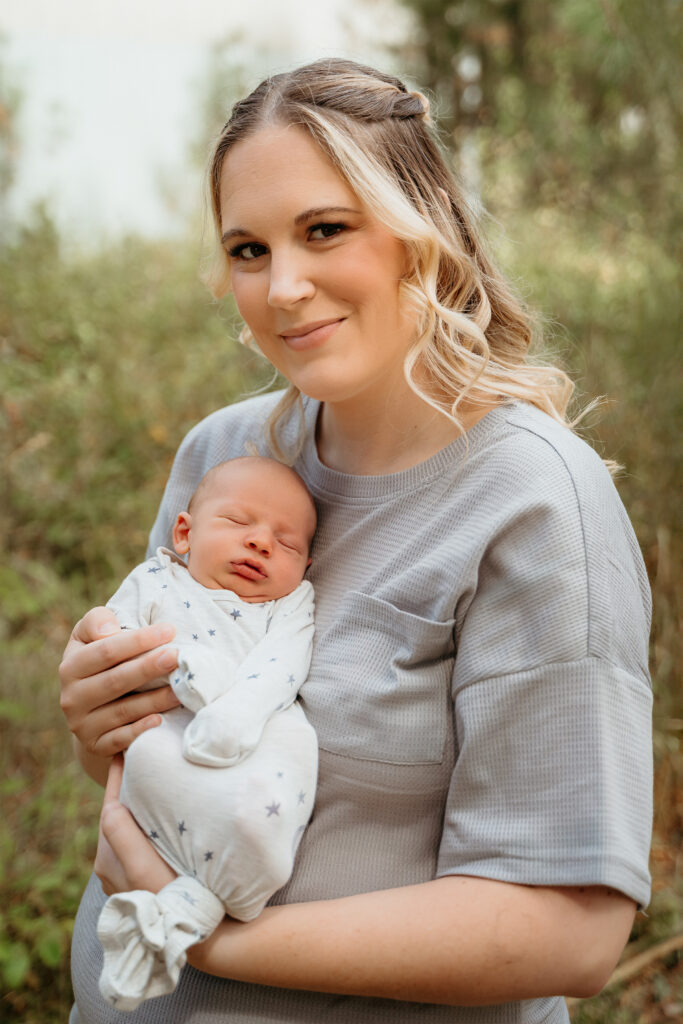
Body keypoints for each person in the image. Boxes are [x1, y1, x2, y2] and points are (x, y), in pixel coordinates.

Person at [59, 58, 653, 1024]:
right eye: (247, 250)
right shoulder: (228, 452)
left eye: (323, 230)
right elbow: (169, 762)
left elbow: (568, 929)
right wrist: (101, 724)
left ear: (420, 231)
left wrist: (211, 938)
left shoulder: (536, 502)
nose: (282, 287)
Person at [95, 456, 318, 1010]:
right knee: (148, 752)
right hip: (171, 740)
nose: (262, 543)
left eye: (287, 544)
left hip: (256, 737)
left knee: (292, 742)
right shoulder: (155, 580)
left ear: (306, 565)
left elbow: (283, 669)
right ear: (185, 533)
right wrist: (184, 665)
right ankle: (179, 905)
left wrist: (236, 709)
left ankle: (190, 907)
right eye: (239, 523)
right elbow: (117, 651)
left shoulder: (290, 606)